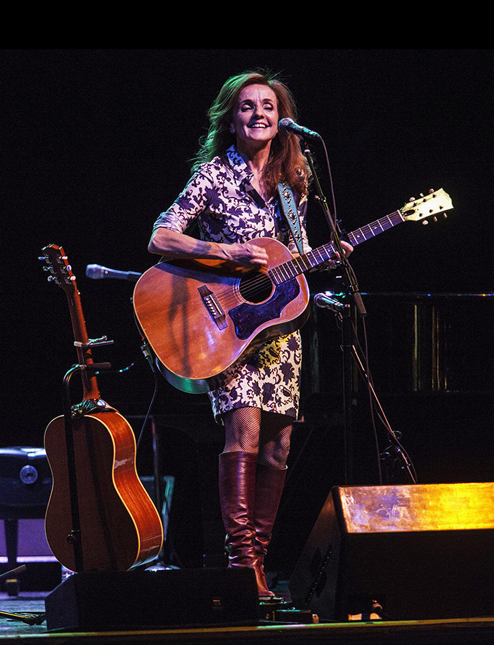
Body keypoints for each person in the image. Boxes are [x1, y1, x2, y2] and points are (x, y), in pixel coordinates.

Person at [147, 70, 354, 600]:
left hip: (279, 331)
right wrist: (227, 253)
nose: (258, 113)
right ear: (231, 118)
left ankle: (258, 562)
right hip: (226, 330)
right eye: (246, 106)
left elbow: (292, 262)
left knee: (279, 446)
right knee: (242, 435)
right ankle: (243, 565)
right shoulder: (215, 175)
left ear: (282, 118)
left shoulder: (294, 183)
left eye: (267, 105)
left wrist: (329, 258)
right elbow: (162, 236)